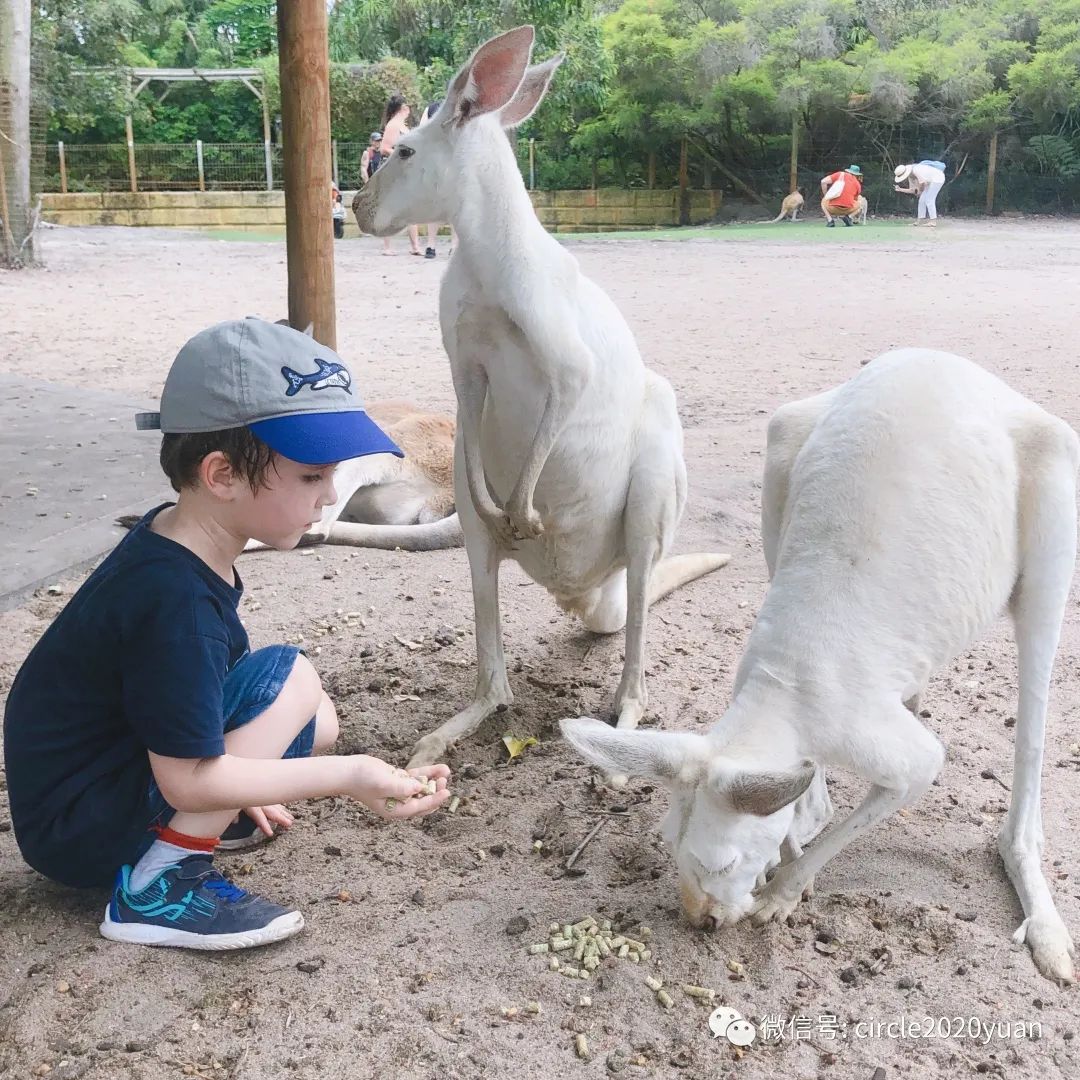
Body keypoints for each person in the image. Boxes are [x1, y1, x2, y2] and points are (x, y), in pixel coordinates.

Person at [2, 317, 451, 950]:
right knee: (291, 677)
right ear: (222, 476)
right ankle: (160, 884)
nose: (329, 496)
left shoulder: (180, 539)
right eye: (311, 475)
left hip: (102, 783)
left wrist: (244, 783)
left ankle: (194, 825)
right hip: (79, 826)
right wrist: (350, 776)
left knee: (316, 716)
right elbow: (187, 780)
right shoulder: (173, 603)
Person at [378, 95, 422, 256]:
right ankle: (387, 246)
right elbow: (384, 148)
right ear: (402, 108)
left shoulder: (401, 125)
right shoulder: (393, 125)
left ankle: (415, 246)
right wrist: (403, 155)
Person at [417, 100, 456, 259]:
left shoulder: (431, 108)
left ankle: (430, 246)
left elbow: (421, 131)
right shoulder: (459, 110)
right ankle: (454, 246)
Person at [894, 161, 946, 227]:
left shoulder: (916, 170)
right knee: (922, 200)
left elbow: (922, 183)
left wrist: (920, 191)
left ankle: (933, 222)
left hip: (938, 178)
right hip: (930, 181)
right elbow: (913, 190)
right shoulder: (910, 176)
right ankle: (918, 221)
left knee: (929, 199)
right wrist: (900, 189)